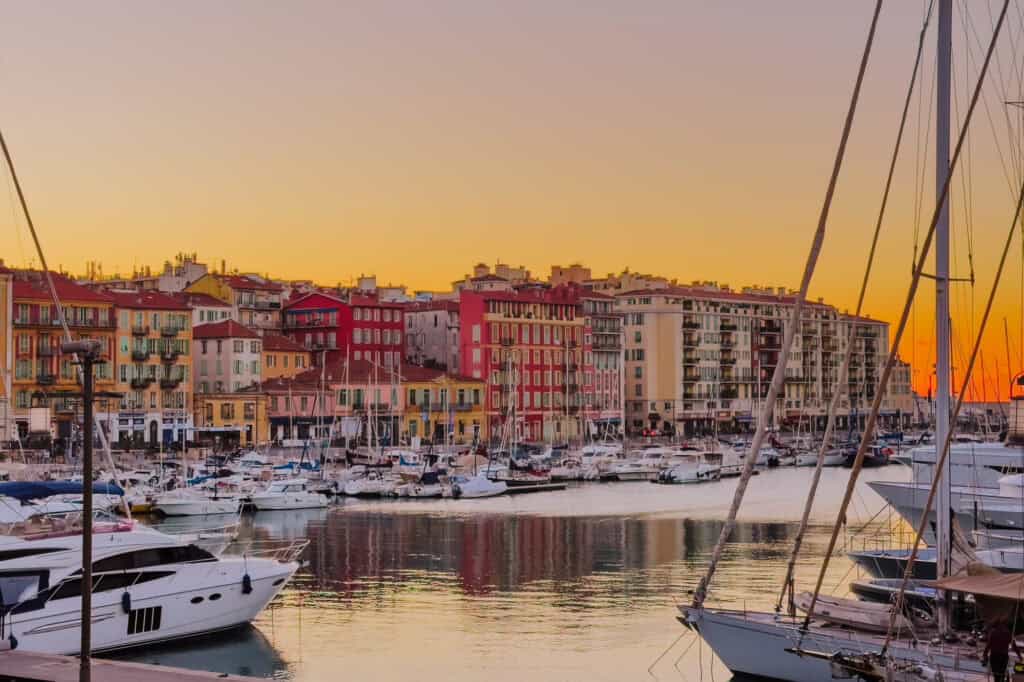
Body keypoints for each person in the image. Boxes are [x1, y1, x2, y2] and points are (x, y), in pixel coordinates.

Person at [984, 616, 1023, 682]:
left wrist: (985, 655)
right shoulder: (1007, 633)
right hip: (1003, 656)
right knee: (1001, 674)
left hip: (995, 655)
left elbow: (988, 645)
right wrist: (1019, 656)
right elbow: (1014, 646)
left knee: (996, 675)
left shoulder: (993, 632)